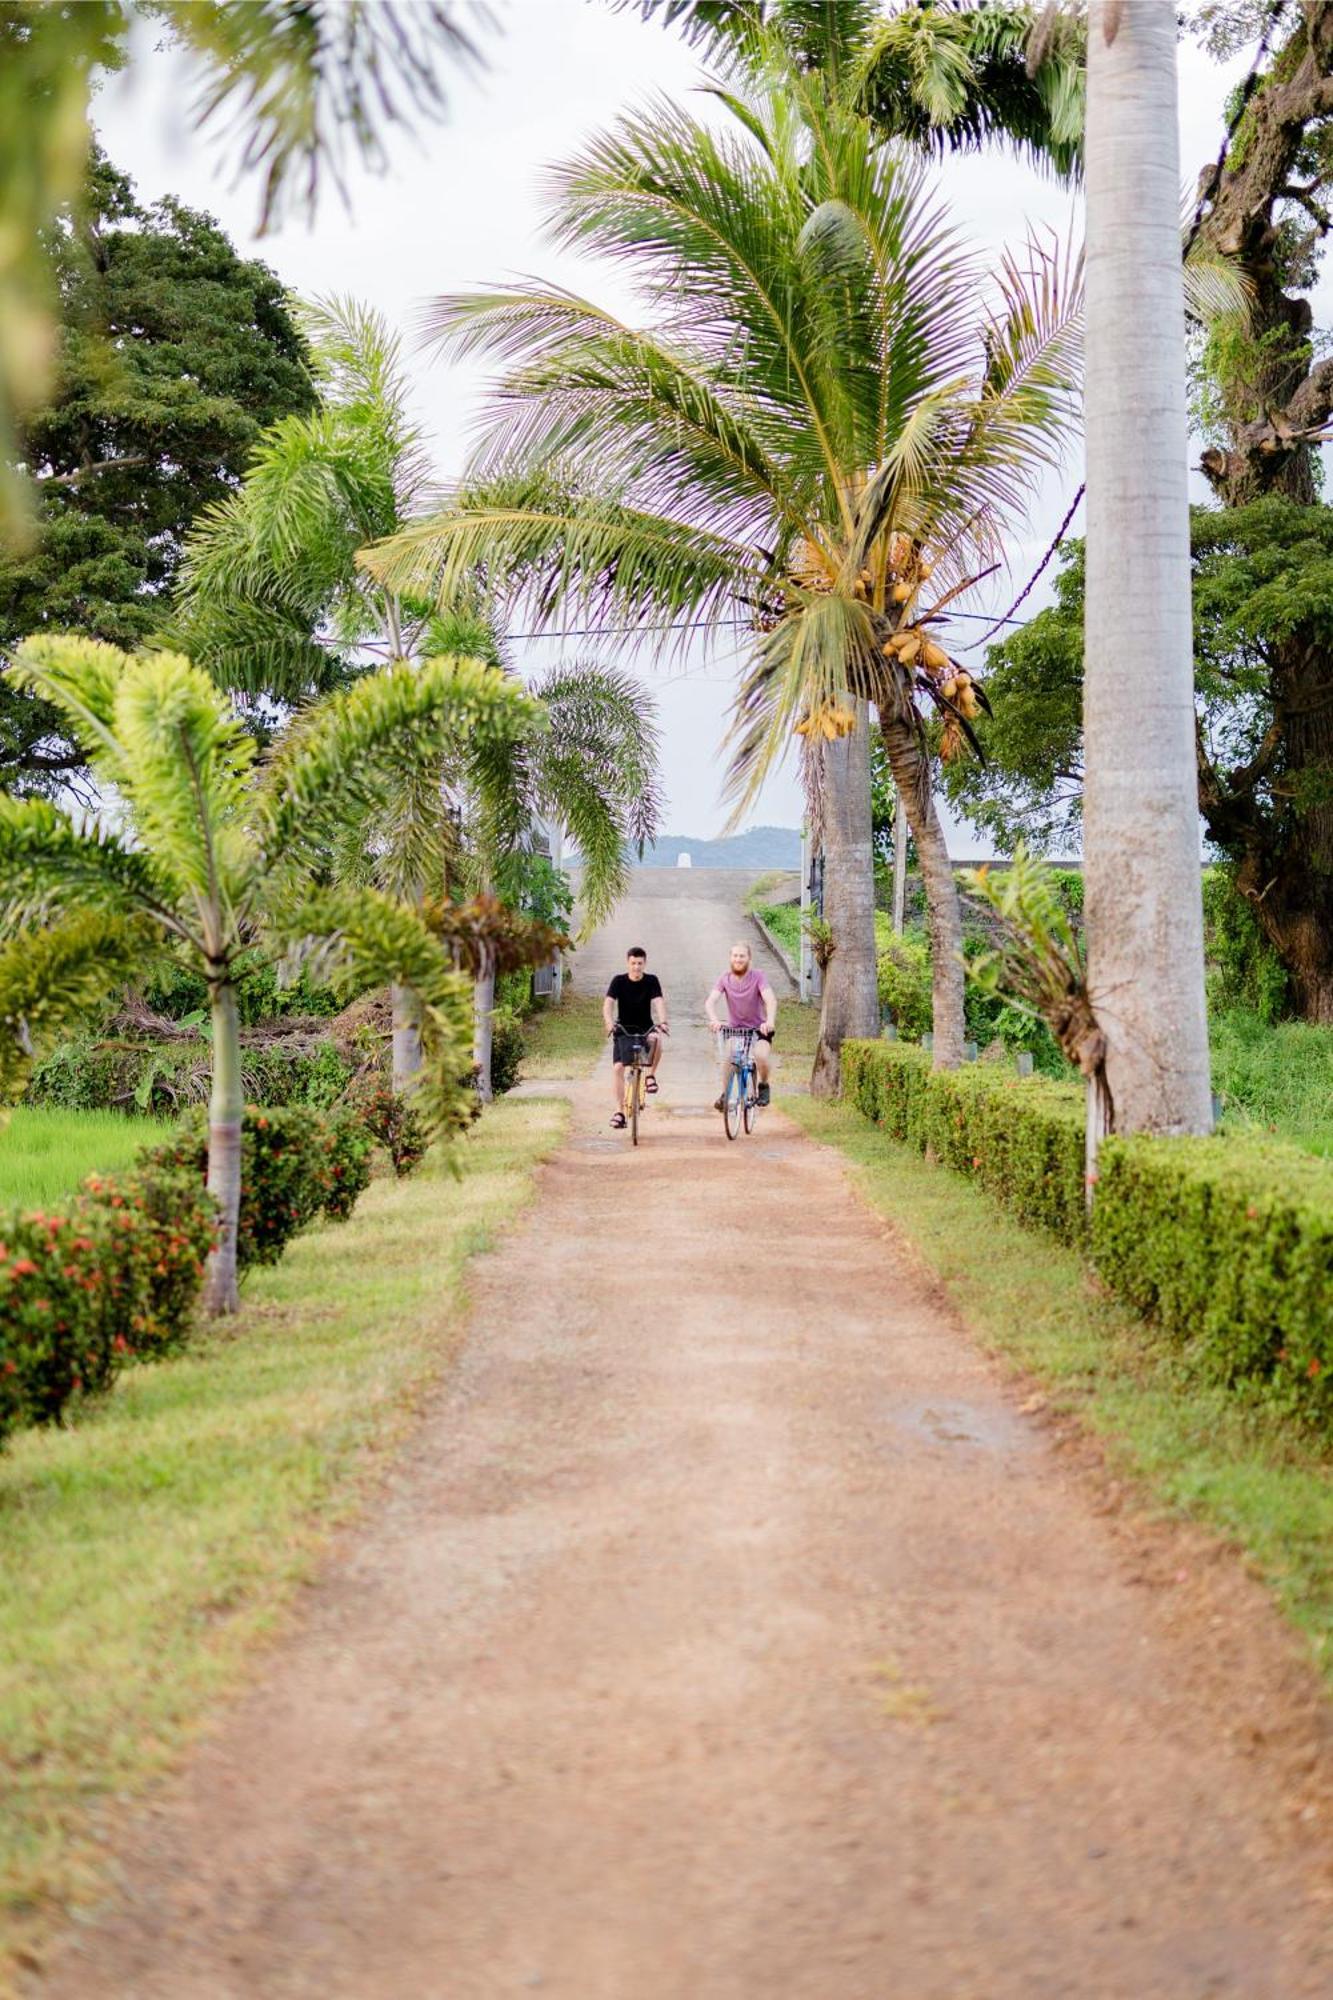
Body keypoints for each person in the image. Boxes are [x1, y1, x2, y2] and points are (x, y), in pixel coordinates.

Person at [706, 940, 777, 1109]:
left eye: (742, 956)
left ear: (749, 958)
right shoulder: (725, 978)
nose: (738, 959)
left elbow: (770, 1000)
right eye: (735, 956)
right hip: (736, 1030)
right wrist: (714, 1019)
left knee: (760, 1056)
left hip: (758, 1029)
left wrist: (770, 1021)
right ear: (730, 958)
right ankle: (725, 1094)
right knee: (729, 1057)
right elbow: (710, 1001)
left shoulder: (758, 976)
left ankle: (764, 1085)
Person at [603, 946, 668, 1130]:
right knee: (617, 1068)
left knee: (657, 1039)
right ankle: (619, 1112)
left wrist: (662, 1021)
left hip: (645, 1027)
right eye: (633, 963)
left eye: (640, 963)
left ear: (644, 963)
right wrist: (609, 1022)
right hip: (623, 1028)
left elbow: (658, 1001)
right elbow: (608, 1003)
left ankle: (651, 1077)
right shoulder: (619, 981)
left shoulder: (651, 980)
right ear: (628, 963)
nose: (636, 967)